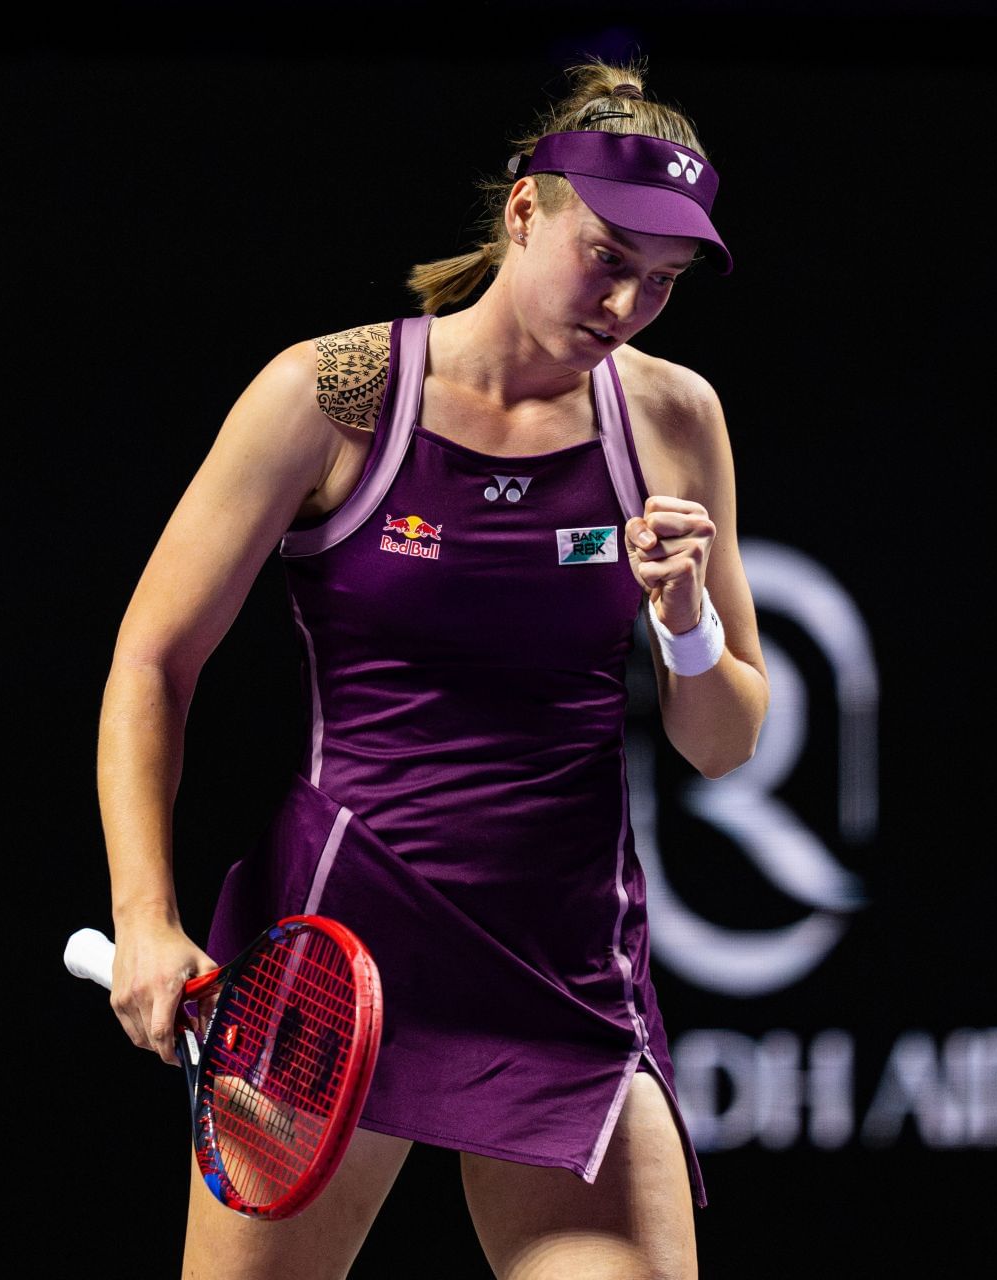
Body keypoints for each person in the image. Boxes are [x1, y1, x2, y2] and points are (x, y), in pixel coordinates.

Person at [94, 55, 767, 1280]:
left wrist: (683, 622)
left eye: (661, 283)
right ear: (526, 210)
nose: (625, 305)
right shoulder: (334, 393)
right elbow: (154, 657)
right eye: (607, 257)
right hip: (337, 969)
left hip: (561, 974)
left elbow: (723, 740)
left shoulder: (674, 418)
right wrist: (146, 917)